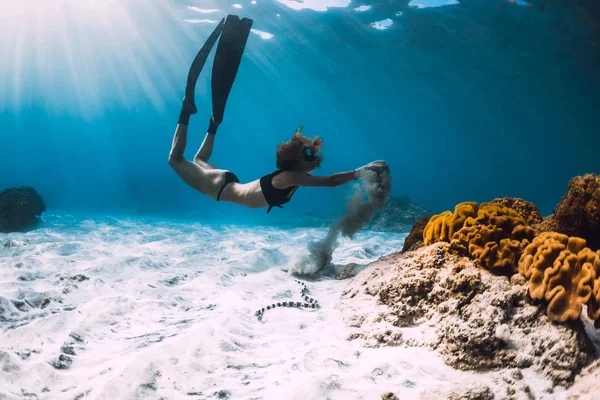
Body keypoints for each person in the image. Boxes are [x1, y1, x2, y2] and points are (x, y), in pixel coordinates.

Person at [168, 15, 389, 213]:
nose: (315, 155)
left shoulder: (295, 177)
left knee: (198, 159)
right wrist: (363, 171)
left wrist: (364, 171)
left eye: (311, 151)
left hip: (225, 184)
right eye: (310, 153)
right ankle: (186, 111)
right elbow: (331, 181)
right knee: (175, 160)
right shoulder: (290, 177)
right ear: (295, 160)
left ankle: (213, 124)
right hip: (219, 186)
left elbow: (329, 180)